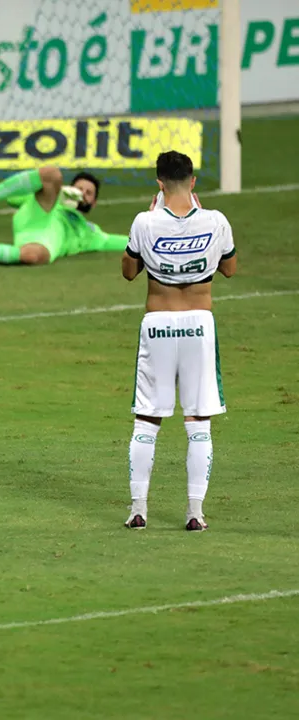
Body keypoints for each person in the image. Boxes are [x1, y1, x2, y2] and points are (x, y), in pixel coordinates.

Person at [121, 151, 236, 532]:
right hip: (198, 324)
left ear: (158, 183)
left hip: (157, 323)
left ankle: (138, 510)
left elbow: (128, 272)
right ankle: (194, 514)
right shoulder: (215, 221)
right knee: (197, 420)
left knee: (147, 418)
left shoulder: (146, 221)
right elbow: (231, 269)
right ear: (193, 181)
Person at [0, 167, 131, 265]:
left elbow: (122, 242)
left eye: (88, 193)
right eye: (79, 189)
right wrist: (60, 195)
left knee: (33, 256)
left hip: (47, 240)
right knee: (52, 174)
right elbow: (13, 198)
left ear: (94, 203)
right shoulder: (57, 199)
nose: (82, 195)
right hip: (40, 213)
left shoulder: (91, 233)